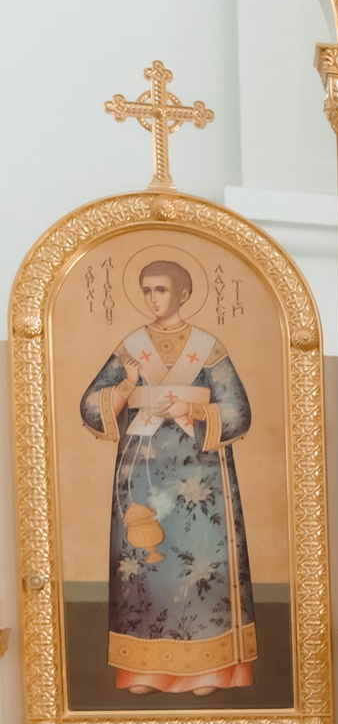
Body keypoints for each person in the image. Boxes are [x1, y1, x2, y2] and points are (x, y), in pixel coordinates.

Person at [81, 259, 256, 694]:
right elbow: (89, 405)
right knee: (142, 565)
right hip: (141, 467)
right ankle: (142, 670)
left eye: (161, 290)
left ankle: (209, 670)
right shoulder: (131, 346)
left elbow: (237, 411)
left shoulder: (208, 346)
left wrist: (192, 410)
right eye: (146, 290)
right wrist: (125, 388)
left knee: (200, 562)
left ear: (181, 293)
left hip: (198, 470)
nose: (153, 298)